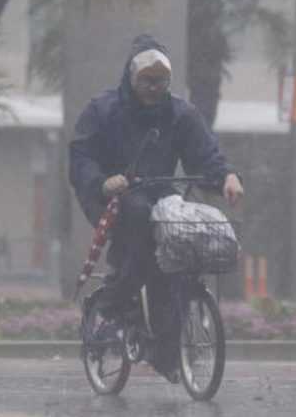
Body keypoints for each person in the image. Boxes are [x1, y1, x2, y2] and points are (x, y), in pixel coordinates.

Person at [69, 33, 243, 382]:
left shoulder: (181, 113)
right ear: (130, 78)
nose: (153, 88)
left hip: (161, 194)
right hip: (111, 196)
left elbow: (205, 152)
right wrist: (103, 182)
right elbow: (81, 157)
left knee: (177, 253)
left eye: (160, 81)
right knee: (138, 228)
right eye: (146, 81)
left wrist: (226, 177)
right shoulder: (102, 110)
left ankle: (166, 351)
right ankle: (114, 304)